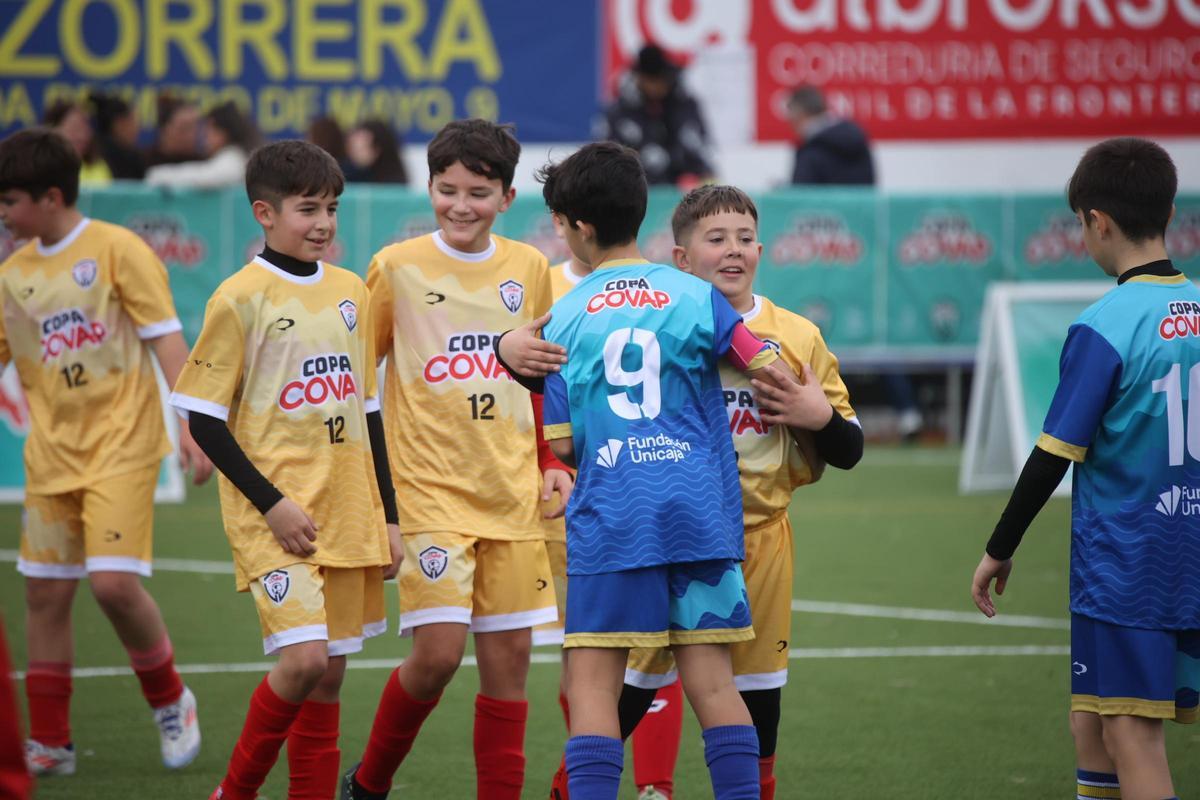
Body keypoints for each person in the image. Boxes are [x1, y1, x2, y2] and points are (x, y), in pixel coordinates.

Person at [497, 142, 799, 800]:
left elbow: (564, 446)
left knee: (593, 686)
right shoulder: (698, 297)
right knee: (713, 683)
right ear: (640, 212)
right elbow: (763, 362)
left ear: (577, 226)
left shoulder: (565, 315)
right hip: (700, 514)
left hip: (615, 518)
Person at [340, 119, 571, 800]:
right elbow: (360, 382)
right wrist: (373, 495)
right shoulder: (396, 267)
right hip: (428, 491)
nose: (461, 206)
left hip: (511, 494)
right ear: (430, 187)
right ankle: (369, 782)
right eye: (448, 190)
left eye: (478, 192)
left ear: (506, 198)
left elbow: (542, 376)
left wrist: (550, 458)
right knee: (437, 656)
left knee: (510, 666)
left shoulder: (529, 268)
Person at [169, 139, 402, 800]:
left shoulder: (351, 292)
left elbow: (369, 412)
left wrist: (389, 517)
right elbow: (204, 420)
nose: (323, 222)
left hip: (347, 510)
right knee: (303, 661)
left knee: (327, 676)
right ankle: (235, 791)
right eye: (308, 209)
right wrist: (271, 503)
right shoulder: (239, 297)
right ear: (264, 213)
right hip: (275, 517)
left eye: (331, 208)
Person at [971, 137, 1200, 800]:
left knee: (1131, 734)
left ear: (1097, 221)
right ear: (1167, 211)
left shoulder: (1105, 324)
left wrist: (999, 548)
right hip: (1187, 548)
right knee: (1092, 723)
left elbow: (1052, 454)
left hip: (1129, 564)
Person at [620, 185, 862, 800]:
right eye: (717, 238)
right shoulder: (654, 332)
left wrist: (817, 417)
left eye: (745, 238)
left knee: (759, 711)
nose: (734, 250)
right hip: (667, 544)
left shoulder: (796, 336)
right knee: (624, 701)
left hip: (760, 544)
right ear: (681, 258)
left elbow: (849, 449)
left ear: (761, 249)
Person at [0, 128, 212, 777]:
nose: (3, 214)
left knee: (114, 585)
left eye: (9, 201)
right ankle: (52, 742)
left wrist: (193, 425)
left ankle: (171, 700)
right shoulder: (11, 277)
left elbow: (167, 340)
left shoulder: (119, 251)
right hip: (51, 458)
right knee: (44, 592)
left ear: (50, 196)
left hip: (122, 446)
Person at [598, 44, 714, 188]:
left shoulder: (684, 103)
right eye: (652, 80)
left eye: (661, 79)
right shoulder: (621, 112)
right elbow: (608, 159)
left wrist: (698, 174)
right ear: (639, 78)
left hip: (685, 187)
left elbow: (700, 146)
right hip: (638, 188)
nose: (658, 86)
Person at [146, 102, 260, 189]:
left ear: (222, 133)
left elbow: (205, 177)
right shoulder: (232, 155)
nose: (204, 137)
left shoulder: (233, 157)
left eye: (208, 131)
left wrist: (158, 175)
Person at [786, 85, 874, 187]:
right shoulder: (858, 140)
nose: (791, 126)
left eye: (791, 120)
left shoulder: (811, 151)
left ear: (800, 116)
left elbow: (801, 193)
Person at [41, 101, 111, 186]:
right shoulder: (41, 167)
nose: (82, 136)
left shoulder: (98, 167)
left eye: (85, 130)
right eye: (75, 129)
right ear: (53, 130)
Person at [90, 92, 147, 180]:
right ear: (118, 124)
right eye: (132, 121)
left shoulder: (93, 151)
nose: (137, 128)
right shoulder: (129, 160)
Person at [145, 95, 201, 168]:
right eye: (184, 128)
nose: (192, 136)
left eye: (196, 129)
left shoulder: (203, 166)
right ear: (164, 129)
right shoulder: (142, 164)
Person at [345, 120, 408, 184]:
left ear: (377, 149)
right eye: (351, 148)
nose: (354, 153)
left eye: (362, 148)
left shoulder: (393, 181)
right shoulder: (346, 173)